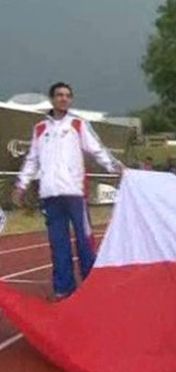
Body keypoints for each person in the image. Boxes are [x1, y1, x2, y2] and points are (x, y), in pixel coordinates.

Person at [12, 82, 123, 300]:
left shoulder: (78, 124)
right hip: (50, 195)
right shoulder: (40, 129)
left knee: (85, 242)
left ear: (70, 100)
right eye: (59, 95)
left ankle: (91, 287)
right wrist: (21, 184)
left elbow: (97, 149)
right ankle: (64, 288)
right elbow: (32, 160)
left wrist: (115, 167)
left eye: (67, 95)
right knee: (58, 244)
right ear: (52, 99)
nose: (64, 98)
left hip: (75, 193)